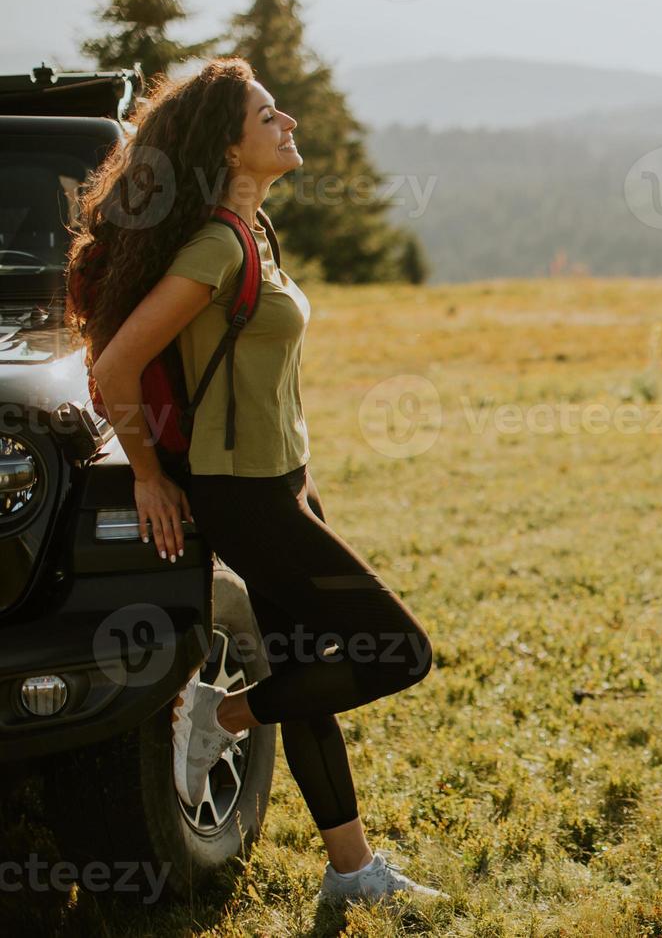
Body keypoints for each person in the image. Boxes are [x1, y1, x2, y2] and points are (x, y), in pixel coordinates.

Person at [65, 57, 444, 908]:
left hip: (285, 481)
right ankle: (222, 716)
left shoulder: (252, 232)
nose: (290, 125)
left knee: (306, 670)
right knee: (399, 651)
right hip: (242, 494)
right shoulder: (211, 247)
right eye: (269, 117)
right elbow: (115, 363)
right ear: (229, 148)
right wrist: (151, 477)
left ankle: (352, 873)